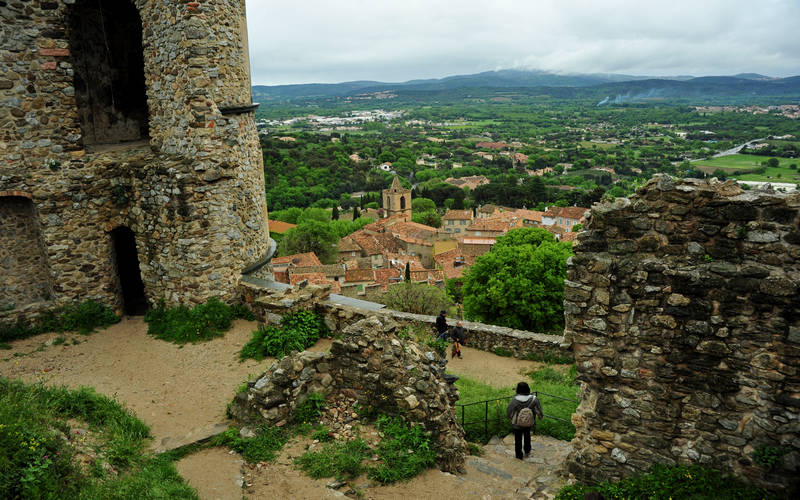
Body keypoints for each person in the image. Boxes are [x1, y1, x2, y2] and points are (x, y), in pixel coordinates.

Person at [506, 381, 544, 460]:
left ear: (518, 389)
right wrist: (540, 417)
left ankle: (519, 455)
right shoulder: (533, 399)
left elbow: (509, 411)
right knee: (527, 435)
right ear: (528, 388)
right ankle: (527, 450)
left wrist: (509, 417)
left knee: (518, 439)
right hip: (529, 422)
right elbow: (538, 410)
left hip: (517, 423)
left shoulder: (515, 400)